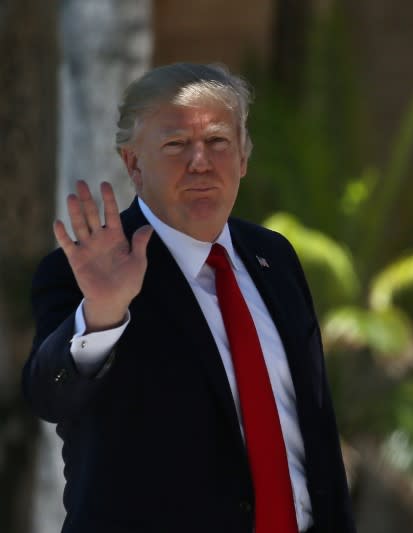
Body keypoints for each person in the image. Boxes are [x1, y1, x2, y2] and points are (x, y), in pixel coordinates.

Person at [23, 63, 354, 533]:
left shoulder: (273, 257)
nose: (200, 161)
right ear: (134, 164)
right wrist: (101, 314)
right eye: (176, 144)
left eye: (218, 142)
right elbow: (50, 395)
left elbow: (313, 425)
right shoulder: (88, 270)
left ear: (243, 157)